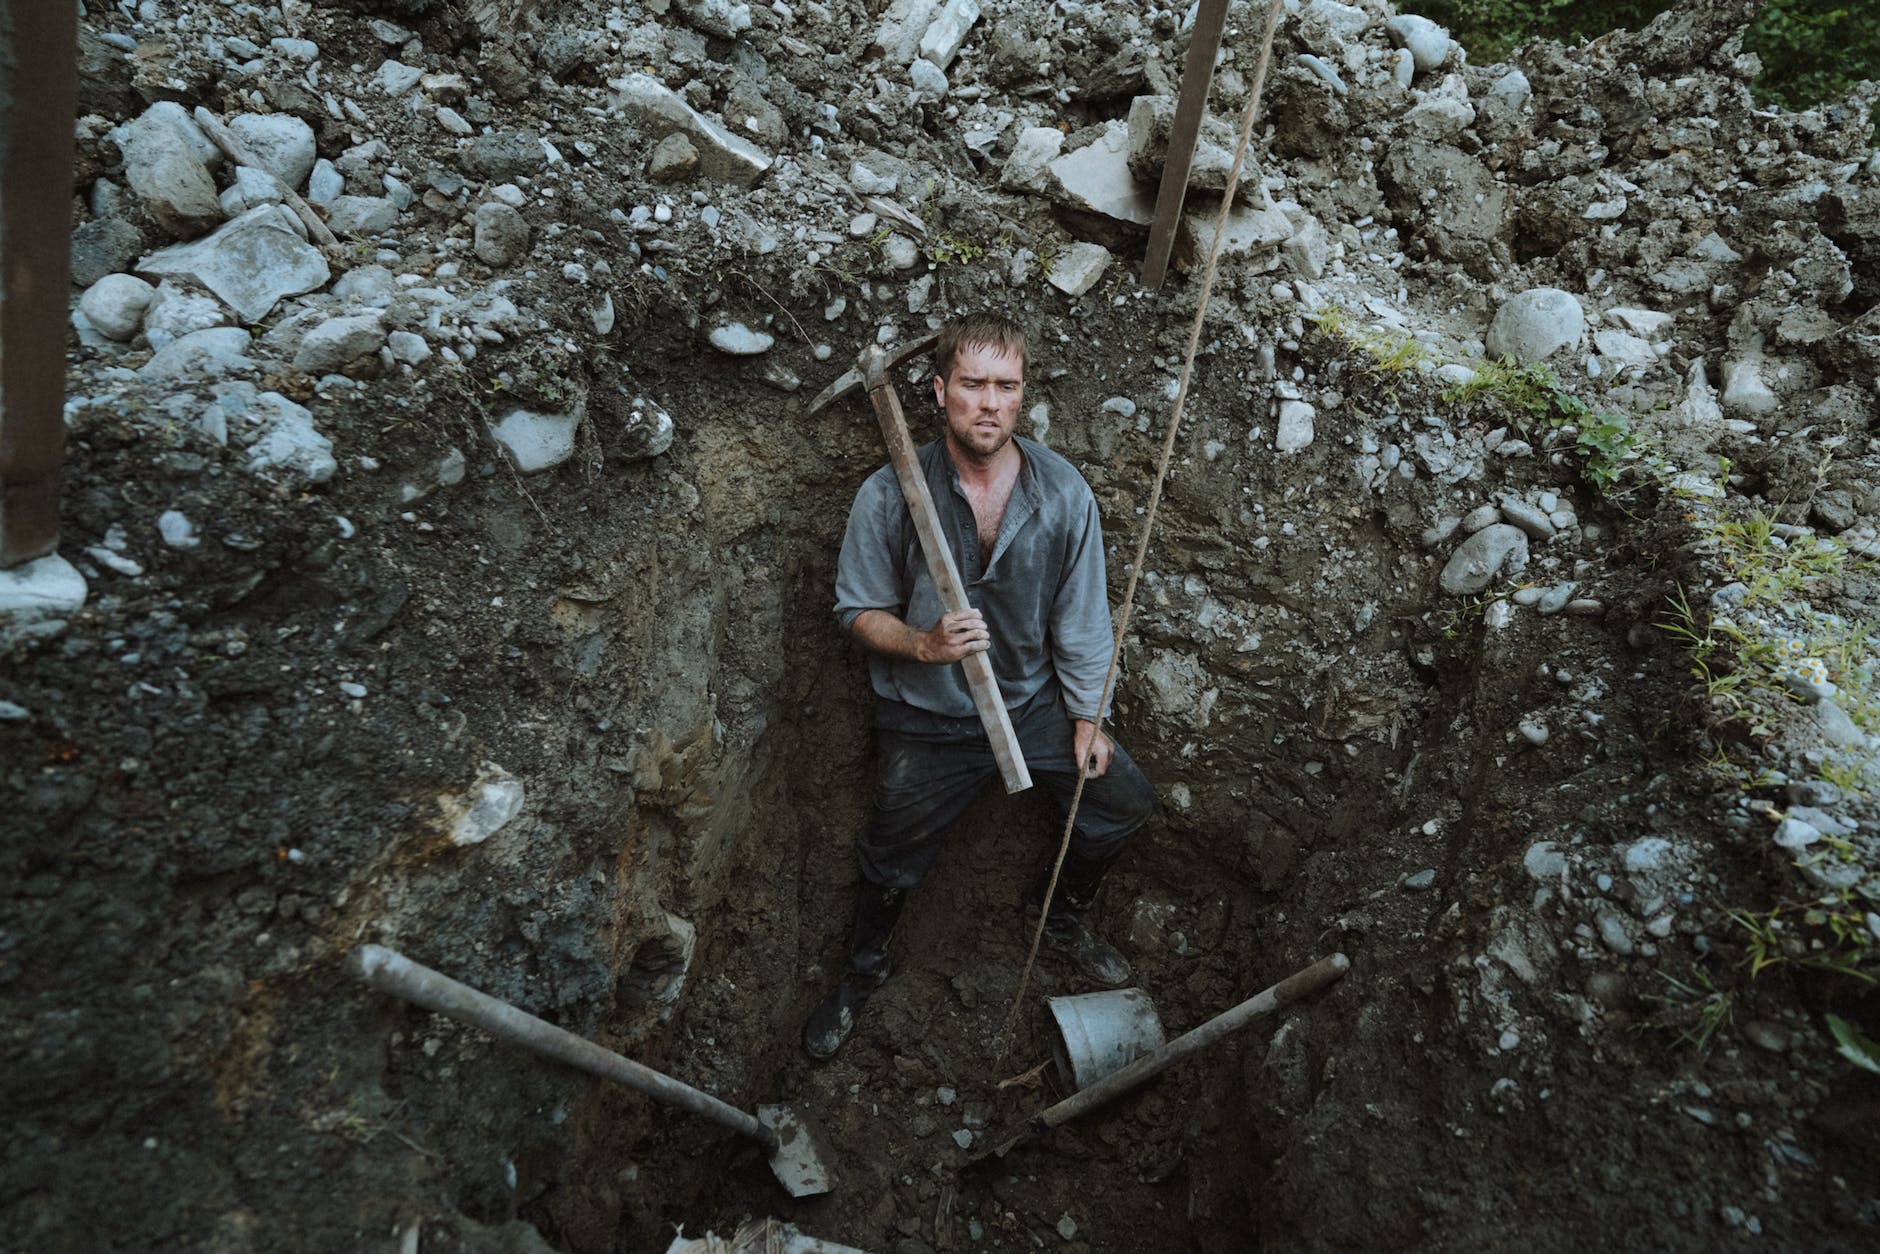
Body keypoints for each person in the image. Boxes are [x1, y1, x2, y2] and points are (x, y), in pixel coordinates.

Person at [803, 311, 1157, 1061]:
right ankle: (863, 971)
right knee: (890, 856)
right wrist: (923, 643)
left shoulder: (1064, 496)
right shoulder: (887, 495)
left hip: (1030, 705)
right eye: (972, 385)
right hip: (925, 716)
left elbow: (1085, 622)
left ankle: (1060, 917)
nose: (989, 403)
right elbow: (856, 611)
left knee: (1122, 803)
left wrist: (1090, 718)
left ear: (1021, 394)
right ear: (939, 391)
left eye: (1006, 386)